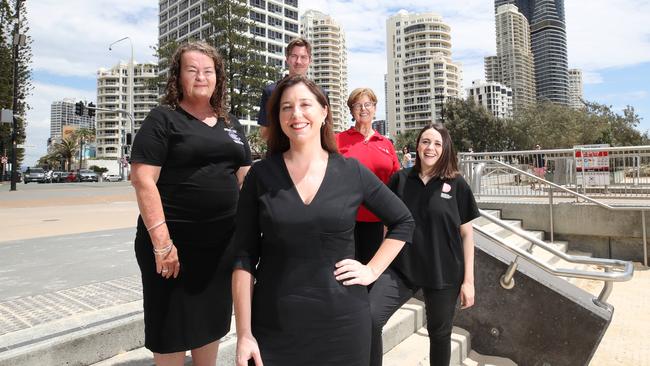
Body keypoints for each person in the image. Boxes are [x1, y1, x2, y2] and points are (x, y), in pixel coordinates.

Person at [232, 75, 414, 366]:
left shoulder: (351, 171)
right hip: (274, 327)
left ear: (324, 111)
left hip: (343, 325)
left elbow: (403, 220)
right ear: (278, 118)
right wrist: (244, 334)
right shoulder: (260, 175)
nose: (296, 114)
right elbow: (243, 257)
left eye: (306, 104)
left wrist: (371, 270)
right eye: (286, 107)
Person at [130, 41, 251, 366]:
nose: (201, 76)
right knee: (169, 331)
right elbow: (143, 179)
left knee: (209, 326)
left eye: (208, 71)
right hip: (173, 249)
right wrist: (162, 243)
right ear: (178, 77)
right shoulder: (163, 119)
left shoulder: (230, 123)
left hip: (219, 249)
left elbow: (247, 178)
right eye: (192, 70)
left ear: (218, 78)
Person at [368, 123, 480, 366]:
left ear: (445, 149)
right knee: (370, 318)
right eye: (426, 142)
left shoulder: (457, 184)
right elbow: (387, 226)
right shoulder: (399, 180)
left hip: (443, 272)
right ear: (417, 146)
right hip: (401, 269)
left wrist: (468, 282)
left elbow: (467, 235)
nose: (430, 148)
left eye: (437, 143)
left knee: (440, 335)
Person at [336, 88, 401, 266]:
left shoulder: (386, 144)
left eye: (368, 104)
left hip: (378, 221)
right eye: (357, 105)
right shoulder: (337, 140)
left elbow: (397, 182)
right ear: (351, 110)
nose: (363, 109)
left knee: (371, 274)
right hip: (345, 220)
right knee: (344, 272)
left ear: (374, 108)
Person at [257, 38, 312, 140]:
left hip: (311, 154)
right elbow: (264, 132)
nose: (298, 61)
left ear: (310, 60)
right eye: (294, 56)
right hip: (279, 153)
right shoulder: (271, 92)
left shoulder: (319, 94)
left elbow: (325, 129)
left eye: (303, 57)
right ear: (287, 59)